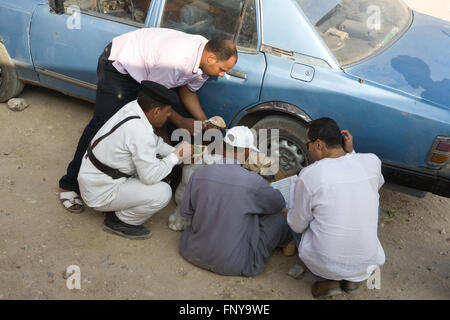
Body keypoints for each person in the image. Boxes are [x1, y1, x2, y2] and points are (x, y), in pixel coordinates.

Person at [59, 27, 237, 213]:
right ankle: (70, 184)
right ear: (210, 58)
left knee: (173, 122)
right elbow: (154, 103)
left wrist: (204, 122)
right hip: (121, 67)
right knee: (102, 124)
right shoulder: (175, 60)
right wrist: (180, 121)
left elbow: (188, 91)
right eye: (222, 69)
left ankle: (164, 175)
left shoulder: (203, 61)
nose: (222, 74)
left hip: (150, 74)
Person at [77, 81, 192, 239]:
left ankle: (118, 209)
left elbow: (154, 142)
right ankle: (119, 221)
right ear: (156, 111)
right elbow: (149, 176)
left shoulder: (134, 107)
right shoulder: (140, 132)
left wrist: (175, 153)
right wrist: (175, 157)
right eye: (168, 111)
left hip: (93, 177)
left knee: (162, 167)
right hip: (99, 191)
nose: (170, 115)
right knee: (163, 192)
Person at [287, 117, 385, 298]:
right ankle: (353, 279)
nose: (307, 148)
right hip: (368, 260)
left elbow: (297, 226)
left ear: (318, 145)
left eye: (307, 143)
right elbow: (374, 184)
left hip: (326, 262)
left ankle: (328, 281)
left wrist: (289, 209)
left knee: (296, 215)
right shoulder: (372, 161)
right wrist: (351, 152)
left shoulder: (310, 174)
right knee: (370, 198)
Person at [179, 126, 292, 276]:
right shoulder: (254, 182)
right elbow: (278, 204)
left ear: (223, 147)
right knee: (278, 220)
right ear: (247, 151)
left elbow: (186, 211)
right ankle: (289, 242)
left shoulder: (199, 173)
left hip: (191, 251)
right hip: (233, 264)